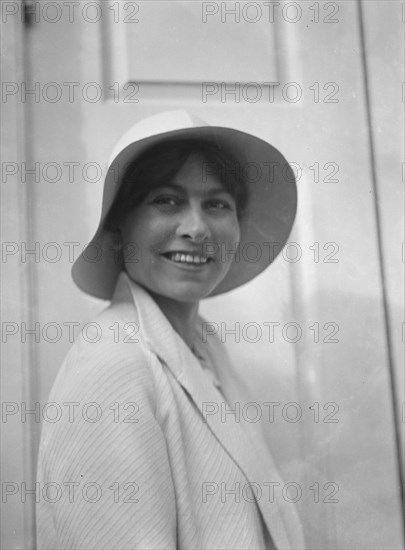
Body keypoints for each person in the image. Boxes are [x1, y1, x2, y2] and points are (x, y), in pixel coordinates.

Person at [36, 110, 305, 549]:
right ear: (120, 226)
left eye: (217, 204)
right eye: (167, 200)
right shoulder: (112, 366)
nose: (197, 229)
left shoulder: (206, 349)